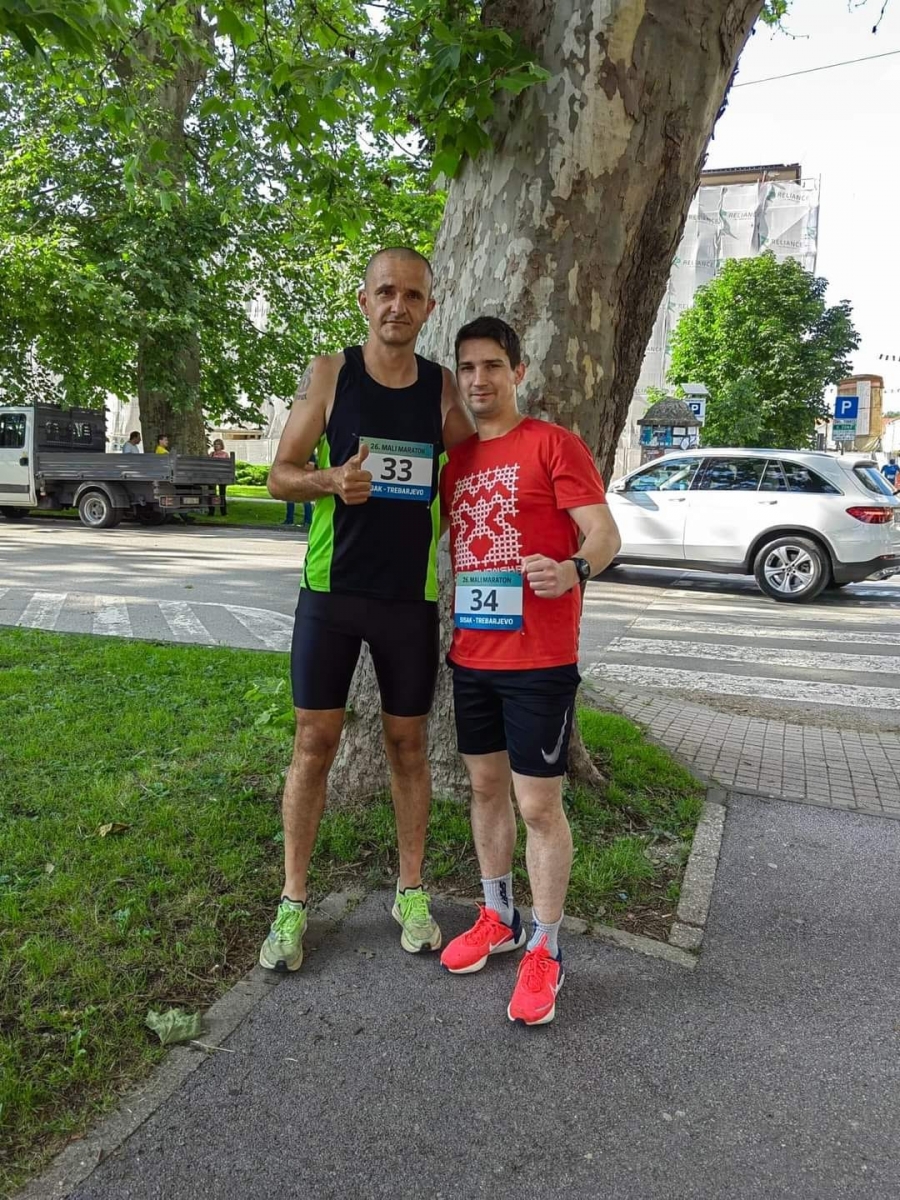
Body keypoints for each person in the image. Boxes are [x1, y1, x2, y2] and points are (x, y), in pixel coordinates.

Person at [258, 246, 473, 974]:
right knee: (313, 743)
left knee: (409, 747)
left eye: (411, 295)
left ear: (428, 308)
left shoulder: (442, 388)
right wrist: (328, 480)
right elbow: (278, 475)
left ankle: (410, 891)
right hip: (331, 592)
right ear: (364, 300)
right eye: (385, 292)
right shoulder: (331, 373)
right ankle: (292, 900)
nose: (397, 306)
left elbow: (479, 469)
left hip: (408, 600)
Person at [438, 316, 621, 1027]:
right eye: (467, 368)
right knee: (485, 789)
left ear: (517, 372)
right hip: (472, 658)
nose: (479, 379)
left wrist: (573, 568)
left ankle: (546, 947)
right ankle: (499, 917)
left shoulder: (553, 445)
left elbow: (605, 535)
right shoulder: (456, 463)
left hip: (540, 662)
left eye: (492, 366)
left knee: (539, 806)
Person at [208, 438, 229, 516]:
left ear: (221, 445)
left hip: (222, 476)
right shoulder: (212, 454)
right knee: (212, 494)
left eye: (218, 444)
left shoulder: (225, 454)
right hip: (213, 476)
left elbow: (227, 465)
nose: (216, 446)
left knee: (222, 494)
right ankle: (211, 512)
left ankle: (223, 512)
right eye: (215, 444)